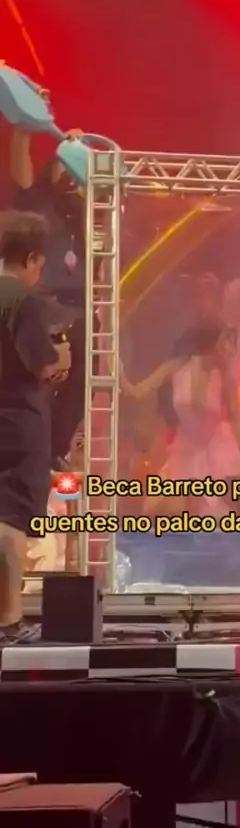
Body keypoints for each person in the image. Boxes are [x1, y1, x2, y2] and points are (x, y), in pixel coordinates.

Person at [122, 275, 240, 518]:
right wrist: (117, 374)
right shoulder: (179, 365)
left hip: (217, 444)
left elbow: (236, 421)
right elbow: (138, 390)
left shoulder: (226, 377)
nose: (230, 349)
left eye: (232, 342)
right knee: (170, 509)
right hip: (187, 445)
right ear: (213, 341)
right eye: (226, 341)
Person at [0, 210, 71, 641]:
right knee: (9, 521)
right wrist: (61, 356)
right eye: (40, 263)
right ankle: (8, 620)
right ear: (29, 258)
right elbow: (43, 364)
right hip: (16, 425)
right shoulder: (24, 301)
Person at [10, 123, 87, 470]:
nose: (69, 175)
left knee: (82, 381)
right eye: (63, 167)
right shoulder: (38, 201)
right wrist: (24, 128)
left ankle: (56, 447)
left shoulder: (82, 208)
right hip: (46, 303)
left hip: (80, 306)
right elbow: (20, 167)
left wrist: (83, 158)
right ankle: (31, 448)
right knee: (43, 377)